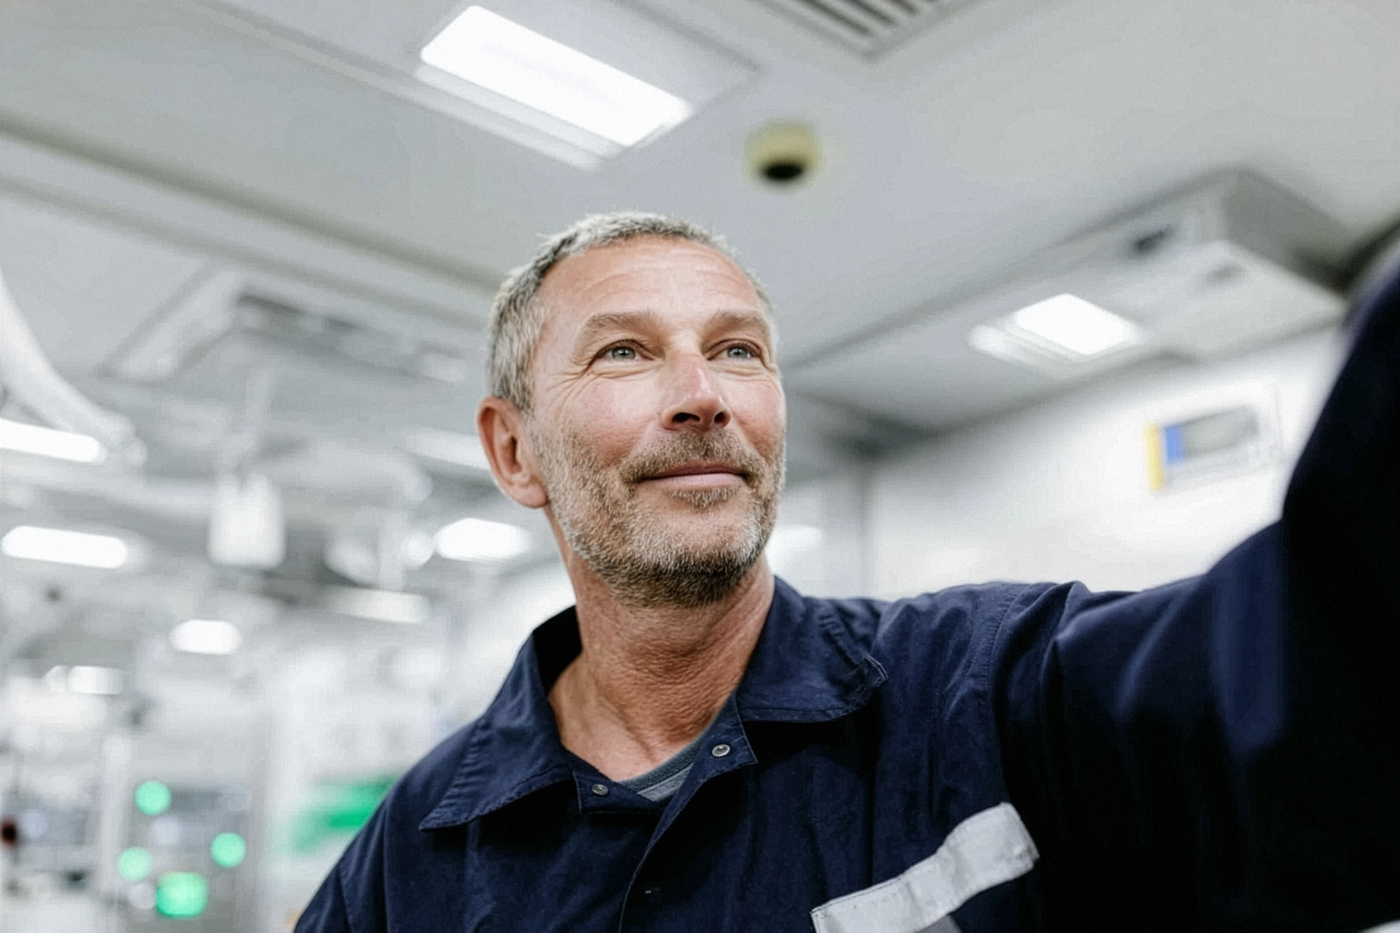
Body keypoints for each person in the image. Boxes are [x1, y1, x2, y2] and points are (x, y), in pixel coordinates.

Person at [295, 213, 1399, 933]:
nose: (702, 395)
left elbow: (1319, 696)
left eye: (737, 350)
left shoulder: (992, 698)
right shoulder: (415, 852)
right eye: (624, 351)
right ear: (514, 451)